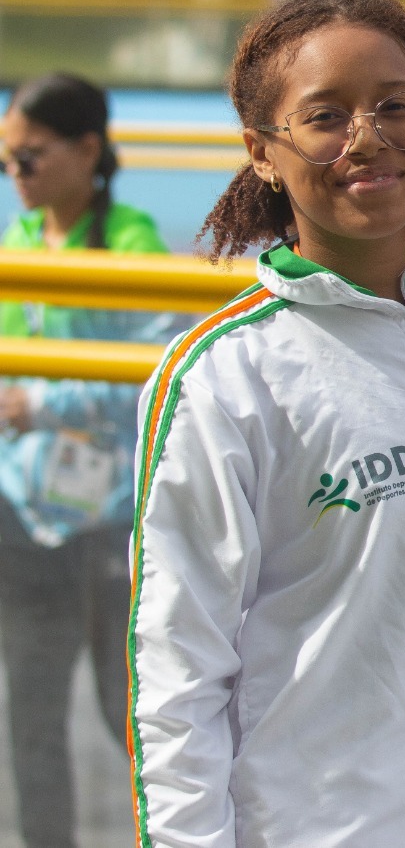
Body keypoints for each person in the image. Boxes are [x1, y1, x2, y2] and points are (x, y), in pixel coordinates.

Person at [126, 0, 405, 847]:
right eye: (325, 116)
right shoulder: (223, 377)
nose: (369, 137)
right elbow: (176, 677)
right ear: (262, 151)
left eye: (396, 106)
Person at [0, 73, 174, 848]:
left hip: (108, 525)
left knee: (128, 718)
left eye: (28, 158)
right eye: (5, 160)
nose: (15, 175)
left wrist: (42, 407)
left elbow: (151, 384)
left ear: (86, 150)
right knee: (32, 725)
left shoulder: (131, 243)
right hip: (29, 520)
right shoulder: (21, 242)